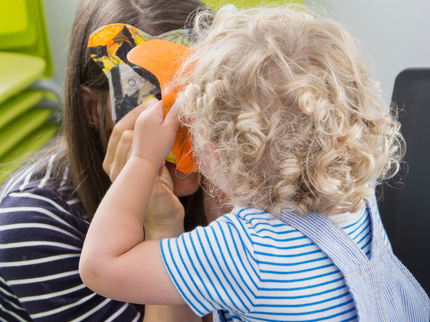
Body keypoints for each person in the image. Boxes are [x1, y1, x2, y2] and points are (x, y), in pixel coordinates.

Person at [80, 5, 430, 322]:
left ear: (213, 152)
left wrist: (142, 159)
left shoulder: (243, 251)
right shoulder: (358, 197)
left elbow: (100, 266)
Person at [0, 0, 211, 321]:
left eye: (196, 99)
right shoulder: (30, 226)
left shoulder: (244, 171)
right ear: (92, 110)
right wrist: (161, 229)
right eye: (150, 104)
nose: (177, 128)